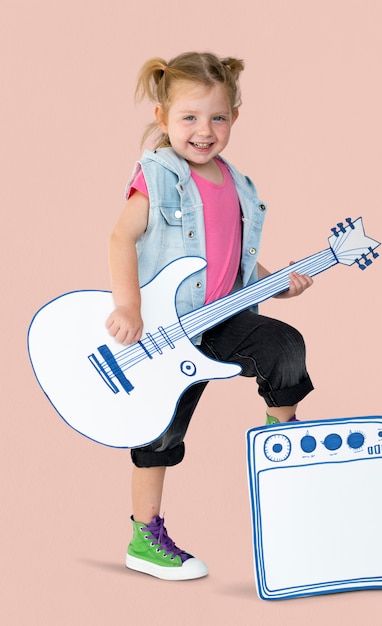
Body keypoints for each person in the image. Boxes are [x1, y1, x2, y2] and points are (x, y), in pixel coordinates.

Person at [106, 51, 314, 581]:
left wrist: (278, 282)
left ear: (234, 120)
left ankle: (282, 459)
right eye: (190, 118)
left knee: (283, 346)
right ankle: (144, 537)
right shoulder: (159, 175)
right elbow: (120, 237)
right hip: (169, 329)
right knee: (160, 433)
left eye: (218, 118)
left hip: (222, 317)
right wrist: (128, 305)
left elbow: (237, 255)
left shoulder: (239, 184)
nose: (204, 131)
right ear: (163, 120)